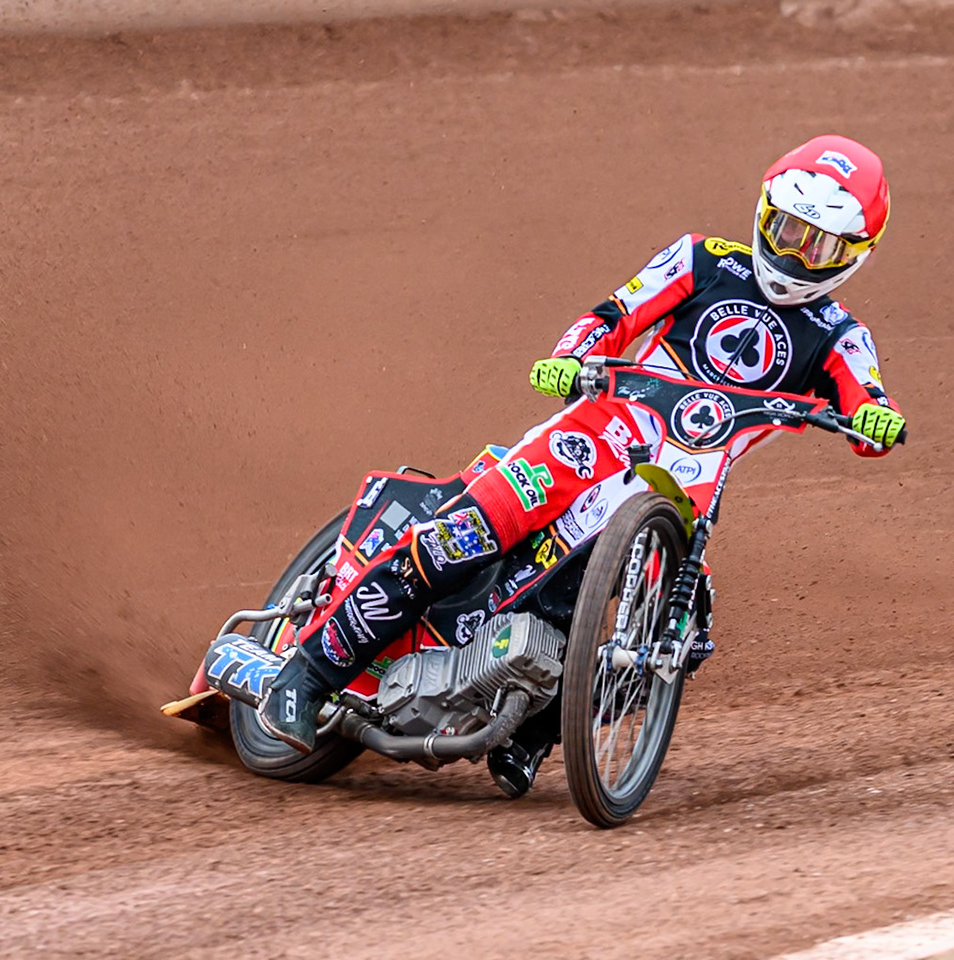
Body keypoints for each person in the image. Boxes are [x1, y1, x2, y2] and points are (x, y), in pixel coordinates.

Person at [251, 134, 906, 796]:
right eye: (786, 228)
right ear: (764, 213)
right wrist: (570, 356)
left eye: (816, 242)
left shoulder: (840, 335)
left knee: (679, 634)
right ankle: (304, 676)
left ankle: (535, 732)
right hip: (594, 435)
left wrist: (876, 421)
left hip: (686, 491)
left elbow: (868, 405)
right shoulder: (702, 259)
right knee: (461, 536)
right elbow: (613, 315)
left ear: (853, 254)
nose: (794, 251)